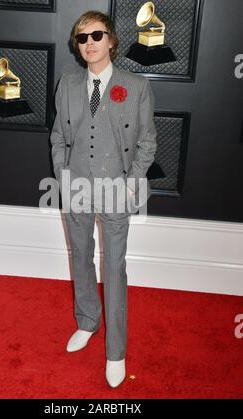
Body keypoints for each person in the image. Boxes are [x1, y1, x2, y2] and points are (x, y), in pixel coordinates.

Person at [50, 10, 157, 388]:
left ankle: (116, 351)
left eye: (96, 35)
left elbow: (147, 142)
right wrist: (63, 175)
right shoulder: (66, 84)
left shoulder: (136, 86)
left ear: (110, 40)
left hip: (116, 188)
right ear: (77, 47)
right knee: (80, 256)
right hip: (76, 185)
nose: (90, 43)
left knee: (113, 267)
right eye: (82, 38)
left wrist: (131, 184)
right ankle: (87, 322)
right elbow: (58, 137)